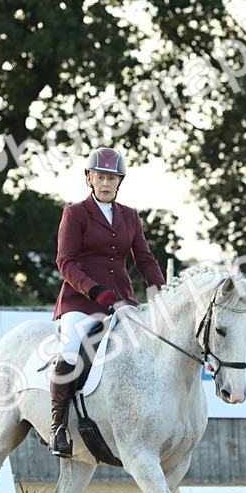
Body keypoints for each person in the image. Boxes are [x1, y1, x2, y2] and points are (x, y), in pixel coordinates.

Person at [48, 147, 167, 458]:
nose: (105, 183)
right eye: (100, 177)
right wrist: (94, 290)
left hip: (123, 301)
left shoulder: (130, 216)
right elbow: (65, 262)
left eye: (111, 178)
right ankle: (58, 426)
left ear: (119, 182)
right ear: (89, 178)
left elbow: (145, 259)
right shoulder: (75, 214)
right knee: (71, 349)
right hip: (82, 300)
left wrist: (160, 292)